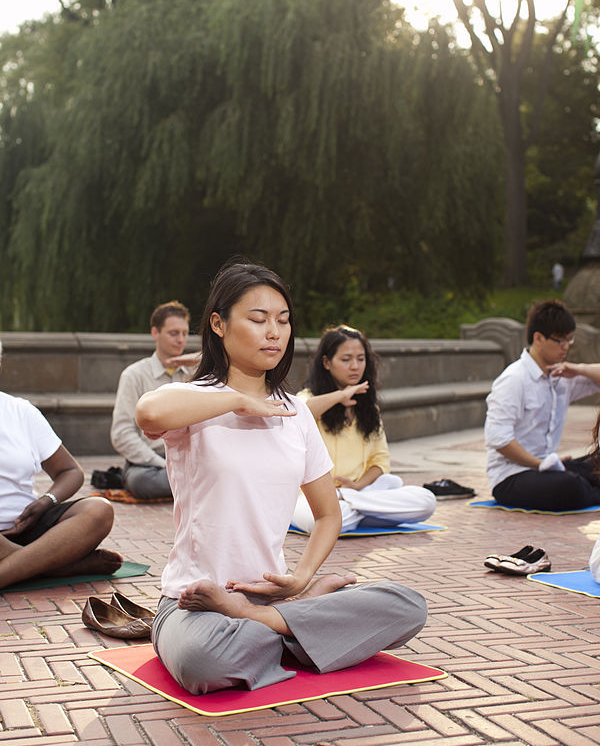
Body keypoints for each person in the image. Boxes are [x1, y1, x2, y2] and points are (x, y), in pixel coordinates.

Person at [135, 262, 427, 695]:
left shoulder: (295, 415)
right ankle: (299, 628)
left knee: (408, 606)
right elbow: (148, 412)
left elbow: (328, 516)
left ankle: (268, 620)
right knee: (203, 661)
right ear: (218, 324)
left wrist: (303, 577)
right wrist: (237, 400)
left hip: (273, 599)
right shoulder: (196, 402)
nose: (274, 331)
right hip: (195, 604)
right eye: (258, 319)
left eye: (283, 320)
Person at [0, 340, 121, 590]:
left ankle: (20, 567)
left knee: (99, 510)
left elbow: (70, 471)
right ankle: (58, 565)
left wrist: (46, 500)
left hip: (30, 527)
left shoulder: (20, 411)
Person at [292, 326, 436, 533]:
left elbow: (380, 461)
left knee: (426, 501)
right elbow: (300, 414)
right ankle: (369, 511)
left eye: (360, 359)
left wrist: (356, 488)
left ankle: (350, 502)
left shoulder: (368, 408)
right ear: (326, 362)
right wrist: (341, 396)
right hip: (311, 497)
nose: (355, 366)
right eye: (346, 359)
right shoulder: (307, 397)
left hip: (358, 491)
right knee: (327, 521)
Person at [485, 299, 600, 511]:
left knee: (596, 462)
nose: (566, 347)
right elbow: (499, 440)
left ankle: (587, 489)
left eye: (569, 340)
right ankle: (586, 490)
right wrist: (540, 464)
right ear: (538, 338)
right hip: (513, 475)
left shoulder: (561, 375)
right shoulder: (514, 379)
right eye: (560, 341)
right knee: (571, 485)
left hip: (549, 467)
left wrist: (580, 369)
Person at [111, 300, 197, 499]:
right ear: (155, 333)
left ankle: (190, 483)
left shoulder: (196, 372)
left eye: (184, 333)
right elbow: (121, 434)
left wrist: (200, 359)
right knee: (142, 482)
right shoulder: (133, 375)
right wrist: (162, 464)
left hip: (191, 457)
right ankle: (193, 485)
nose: (181, 340)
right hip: (151, 463)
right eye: (173, 333)